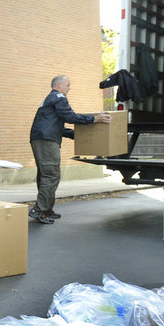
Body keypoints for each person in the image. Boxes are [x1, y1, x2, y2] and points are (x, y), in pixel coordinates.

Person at [29, 75, 111, 224]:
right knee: (51, 175)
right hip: (47, 141)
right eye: (68, 85)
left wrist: (76, 135)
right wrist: (94, 119)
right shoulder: (59, 97)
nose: (70, 88)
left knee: (46, 175)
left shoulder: (50, 99)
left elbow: (56, 126)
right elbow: (70, 116)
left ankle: (46, 209)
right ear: (59, 85)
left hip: (41, 139)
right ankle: (39, 210)